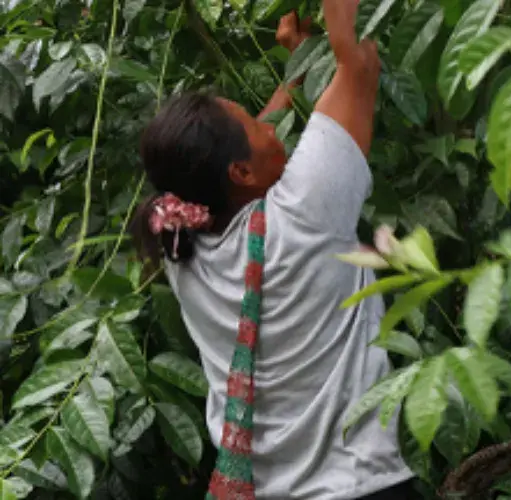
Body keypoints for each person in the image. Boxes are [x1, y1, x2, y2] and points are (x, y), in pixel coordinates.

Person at [129, 1, 417, 498]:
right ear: (239, 173)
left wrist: (300, 63)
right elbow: (361, 64)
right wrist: (338, 25)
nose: (272, 127)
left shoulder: (180, 242)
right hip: (356, 485)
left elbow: (242, 150)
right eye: (259, 128)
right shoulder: (305, 210)